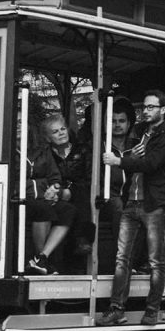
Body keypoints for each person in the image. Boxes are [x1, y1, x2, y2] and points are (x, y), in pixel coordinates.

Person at [97, 89, 165, 327]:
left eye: (152, 107)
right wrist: (133, 156)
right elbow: (137, 161)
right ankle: (116, 309)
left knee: (155, 261)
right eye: (145, 107)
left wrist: (120, 160)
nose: (146, 111)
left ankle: (152, 310)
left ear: (163, 110)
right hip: (131, 202)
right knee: (122, 258)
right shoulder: (140, 132)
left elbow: (150, 164)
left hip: (154, 205)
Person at [43, 113, 94, 269]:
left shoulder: (83, 150)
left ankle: (82, 240)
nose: (61, 133)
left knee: (81, 195)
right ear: (48, 138)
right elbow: (45, 176)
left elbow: (91, 177)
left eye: (63, 129)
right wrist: (58, 190)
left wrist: (70, 191)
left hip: (82, 191)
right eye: (55, 131)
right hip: (56, 194)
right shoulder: (45, 154)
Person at [101, 97, 146, 272]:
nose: (117, 125)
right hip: (105, 198)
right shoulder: (100, 146)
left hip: (131, 196)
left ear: (129, 124)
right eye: (112, 121)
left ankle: (138, 262)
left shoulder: (138, 146)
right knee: (120, 208)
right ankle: (124, 263)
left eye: (121, 121)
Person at [25, 131, 79, 274]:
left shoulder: (43, 151)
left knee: (68, 209)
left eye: (20, 122)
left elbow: (55, 176)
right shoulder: (9, 151)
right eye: (16, 122)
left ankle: (41, 258)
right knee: (44, 208)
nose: (18, 126)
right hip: (21, 199)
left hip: (44, 198)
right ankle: (43, 263)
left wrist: (54, 189)